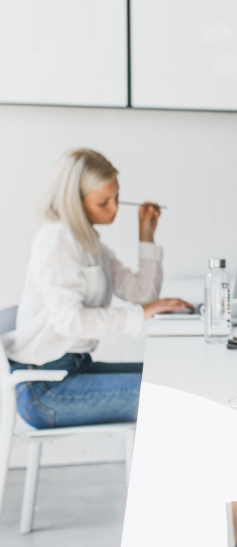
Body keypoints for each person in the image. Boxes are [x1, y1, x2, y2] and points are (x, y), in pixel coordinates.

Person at [2, 148, 192, 429]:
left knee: (171, 379)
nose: (115, 208)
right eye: (104, 202)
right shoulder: (56, 240)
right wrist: (142, 313)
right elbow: (71, 322)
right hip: (46, 389)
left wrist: (146, 235)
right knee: (172, 396)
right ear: (73, 203)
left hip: (76, 370)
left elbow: (141, 294)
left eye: (116, 197)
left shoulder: (90, 243)